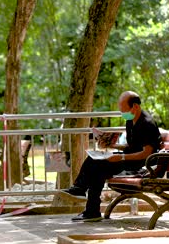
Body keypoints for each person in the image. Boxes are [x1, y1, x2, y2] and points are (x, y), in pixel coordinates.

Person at [63, 91, 161, 222]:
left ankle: (84, 197)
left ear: (135, 106)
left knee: (99, 166)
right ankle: (89, 206)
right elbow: (132, 147)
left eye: (123, 109)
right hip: (130, 159)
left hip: (142, 164)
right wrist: (112, 146)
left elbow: (146, 153)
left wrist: (121, 158)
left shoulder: (147, 124)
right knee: (95, 160)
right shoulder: (131, 121)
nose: (122, 113)